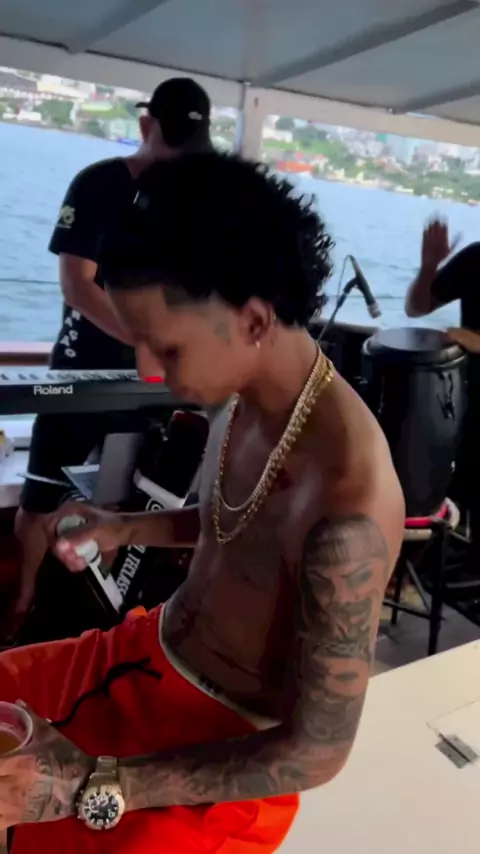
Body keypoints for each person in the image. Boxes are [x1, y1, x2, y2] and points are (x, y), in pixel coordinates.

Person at [0, 152, 405, 854]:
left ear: (253, 321)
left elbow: (317, 751)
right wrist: (124, 527)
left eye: (167, 348)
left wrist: (97, 783)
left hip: (221, 754)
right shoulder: (252, 395)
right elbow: (241, 526)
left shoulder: (348, 503)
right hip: (144, 651)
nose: (148, 370)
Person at [7, 77, 213, 641]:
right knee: (41, 497)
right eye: (172, 143)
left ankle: (95, 620)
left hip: (149, 386)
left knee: (126, 500)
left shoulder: (190, 204)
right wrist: (140, 338)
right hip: (82, 371)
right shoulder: (98, 184)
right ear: (146, 126)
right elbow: (77, 283)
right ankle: (21, 605)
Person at [405, 218, 480, 561]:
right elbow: (417, 307)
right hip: (465, 404)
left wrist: (474, 340)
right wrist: (429, 267)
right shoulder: (475, 258)